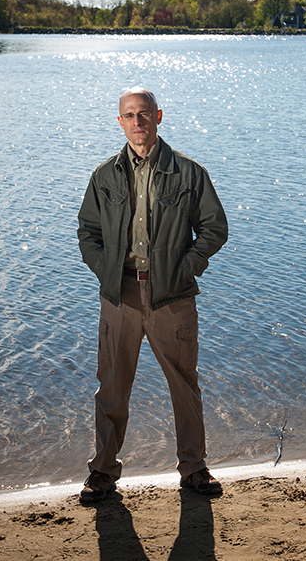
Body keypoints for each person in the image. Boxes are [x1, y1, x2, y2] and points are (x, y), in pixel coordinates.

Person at [76, 87, 229, 503]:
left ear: (158, 117)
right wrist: (105, 271)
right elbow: (87, 233)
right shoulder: (104, 176)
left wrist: (184, 268)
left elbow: (215, 229)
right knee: (111, 387)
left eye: (144, 114)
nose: (137, 122)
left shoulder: (189, 173)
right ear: (120, 121)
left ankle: (194, 469)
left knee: (184, 386)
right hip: (119, 295)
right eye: (129, 115)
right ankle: (103, 473)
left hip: (172, 297)